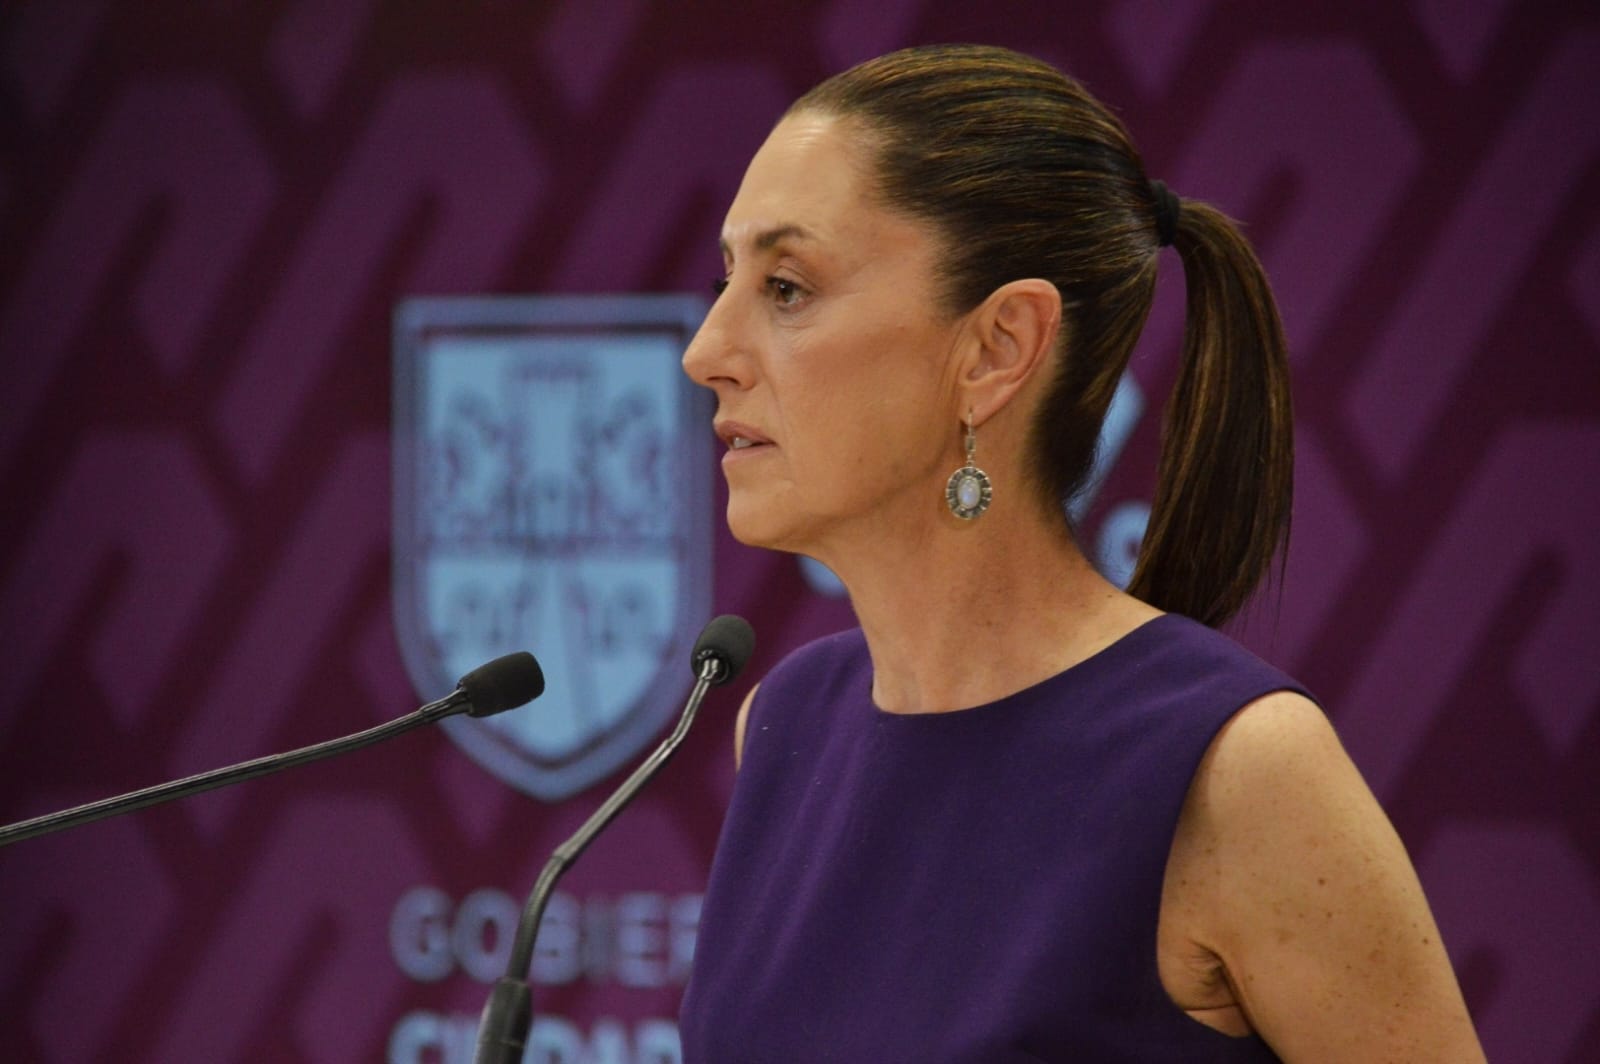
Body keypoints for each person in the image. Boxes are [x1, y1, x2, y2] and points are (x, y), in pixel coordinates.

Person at [676, 43, 1484, 1062]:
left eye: (786, 287)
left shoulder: (1239, 769)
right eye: (727, 279)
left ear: (999, 347)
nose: (704, 351)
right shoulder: (783, 724)